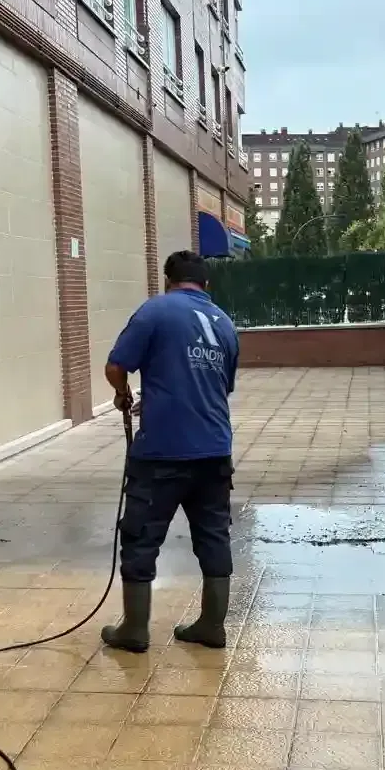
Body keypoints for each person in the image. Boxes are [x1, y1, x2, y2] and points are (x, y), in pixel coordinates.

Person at [101, 249, 240, 654]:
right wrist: (162, 395)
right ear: (206, 285)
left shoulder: (155, 312)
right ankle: (212, 626)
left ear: (167, 280)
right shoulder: (226, 324)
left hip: (162, 452)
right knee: (214, 537)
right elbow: (217, 386)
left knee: (141, 537)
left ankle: (135, 630)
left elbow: (115, 366)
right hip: (215, 450)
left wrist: (123, 394)